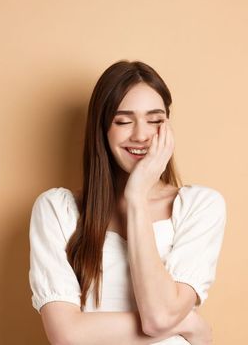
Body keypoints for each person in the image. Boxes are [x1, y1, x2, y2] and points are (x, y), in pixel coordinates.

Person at [28, 60, 226, 344]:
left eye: (155, 120)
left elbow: (160, 316)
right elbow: (67, 335)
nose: (141, 135)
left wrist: (136, 197)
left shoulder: (200, 206)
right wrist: (191, 324)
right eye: (123, 121)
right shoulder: (57, 210)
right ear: (102, 129)